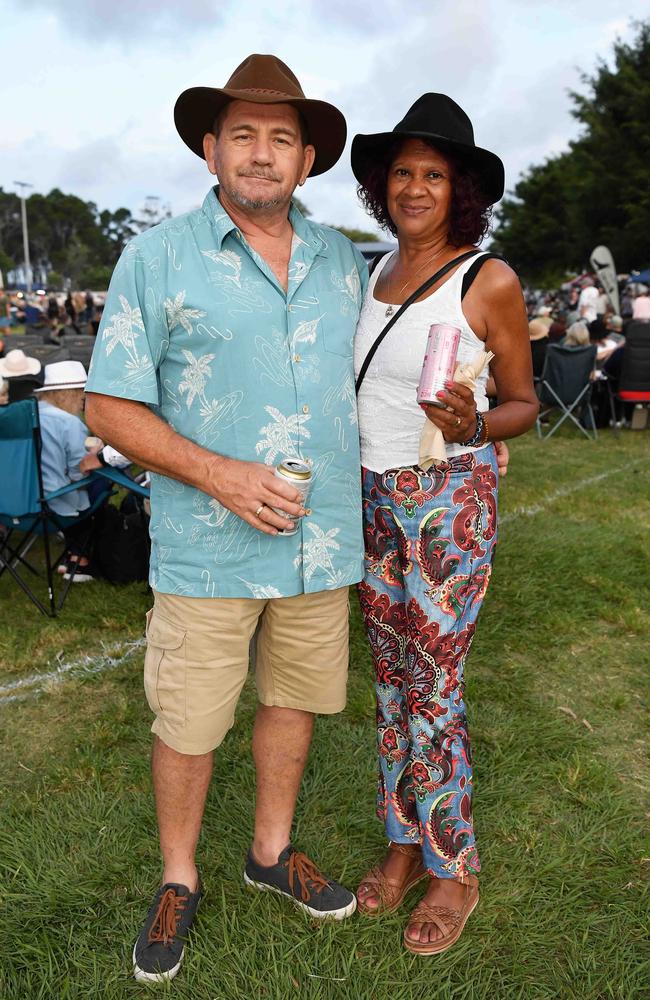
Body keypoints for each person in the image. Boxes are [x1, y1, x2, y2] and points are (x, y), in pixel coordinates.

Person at [84, 53, 368, 984]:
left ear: (308, 157)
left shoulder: (342, 262)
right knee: (192, 721)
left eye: (280, 138)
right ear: (210, 151)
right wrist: (218, 474)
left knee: (292, 702)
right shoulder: (156, 256)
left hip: (320, 538)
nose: (260, 153)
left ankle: (271, 852)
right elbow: (110, 409)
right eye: (241, 135)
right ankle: (178, 876)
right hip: (209, 542)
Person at [350, 93, 538, 955]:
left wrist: (473, 425)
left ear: (459, 188)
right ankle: (401, 841)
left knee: (434, 687)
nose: (416, 187)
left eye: (434, 174)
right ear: (382, 186)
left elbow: (525, 404)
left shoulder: (486, 279)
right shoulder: (372, 274)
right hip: (370, 498)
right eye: (403, 172)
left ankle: (452, 867)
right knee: (390, 685)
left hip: (445, 505)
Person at [34, 361, 110, 582]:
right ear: (70, 393)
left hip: (15, 506)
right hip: (53, 505)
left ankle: (73, 554)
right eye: (82, 394)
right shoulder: (70, 422)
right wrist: (97, 453)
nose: (84, 400)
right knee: (102, 484)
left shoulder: (25, 416)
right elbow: (79, 473)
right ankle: (80, 559)